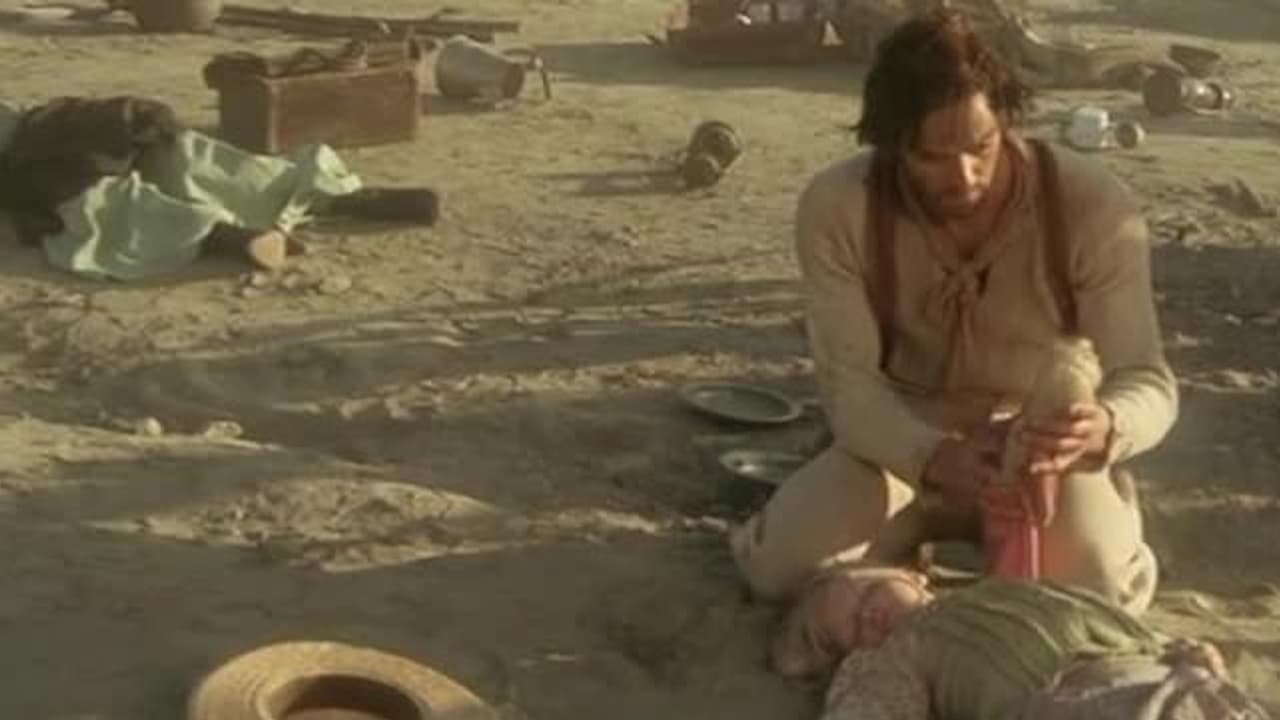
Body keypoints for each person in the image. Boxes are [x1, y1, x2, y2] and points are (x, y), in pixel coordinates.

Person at [728, 8, 1178, 613]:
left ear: (1008, 120)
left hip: (1039, 457)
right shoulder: (840, 207)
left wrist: (1106, 427)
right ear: (890, 144)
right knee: (780, 570)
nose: (963, 177)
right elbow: (850, 391)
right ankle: (908, 543)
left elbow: (1147, 379)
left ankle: (1101, 524)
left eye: (981, 148)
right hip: (900, 448)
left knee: (1093, 594)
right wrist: (931, 455)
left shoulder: (1090, 203)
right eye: (931, 157)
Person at [0, 95, 438, 281]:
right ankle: (234, 233)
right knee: (105, 197)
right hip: (27, 153)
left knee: (170, 156)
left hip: (29, 134)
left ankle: (323, 199)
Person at [770, 564, 1271, 720]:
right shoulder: (897, 652)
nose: (870, 616)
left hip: (1171, 683)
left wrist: (1185, 651)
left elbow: (1124, 630)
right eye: (853, 628)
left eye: (867, 594)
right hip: (1065, 703)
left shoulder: (1017, 589)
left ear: (912, 575)